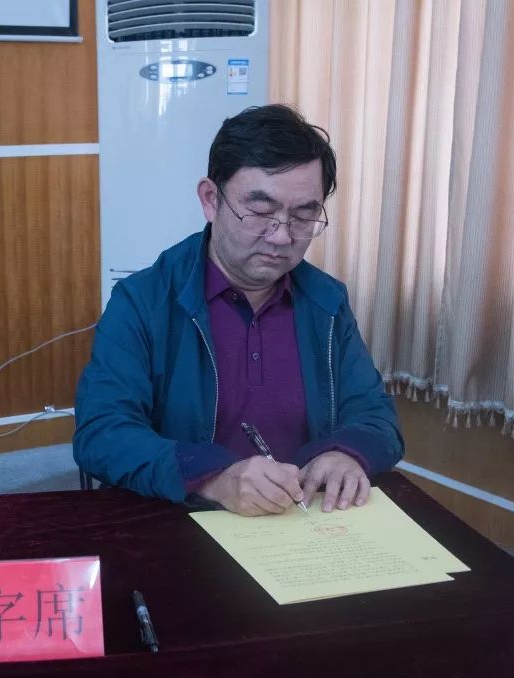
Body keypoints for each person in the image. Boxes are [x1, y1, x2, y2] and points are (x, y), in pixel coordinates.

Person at [74, 104, 403, 516]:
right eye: (261, 212)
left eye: (303, 216)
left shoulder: (327, 302)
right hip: (180, 520)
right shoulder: (143, 302)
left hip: (303, 521)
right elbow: (102, 434)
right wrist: (214, 478)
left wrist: (346, 453)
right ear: (211, 199)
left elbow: (375, 416)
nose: (281, 236)